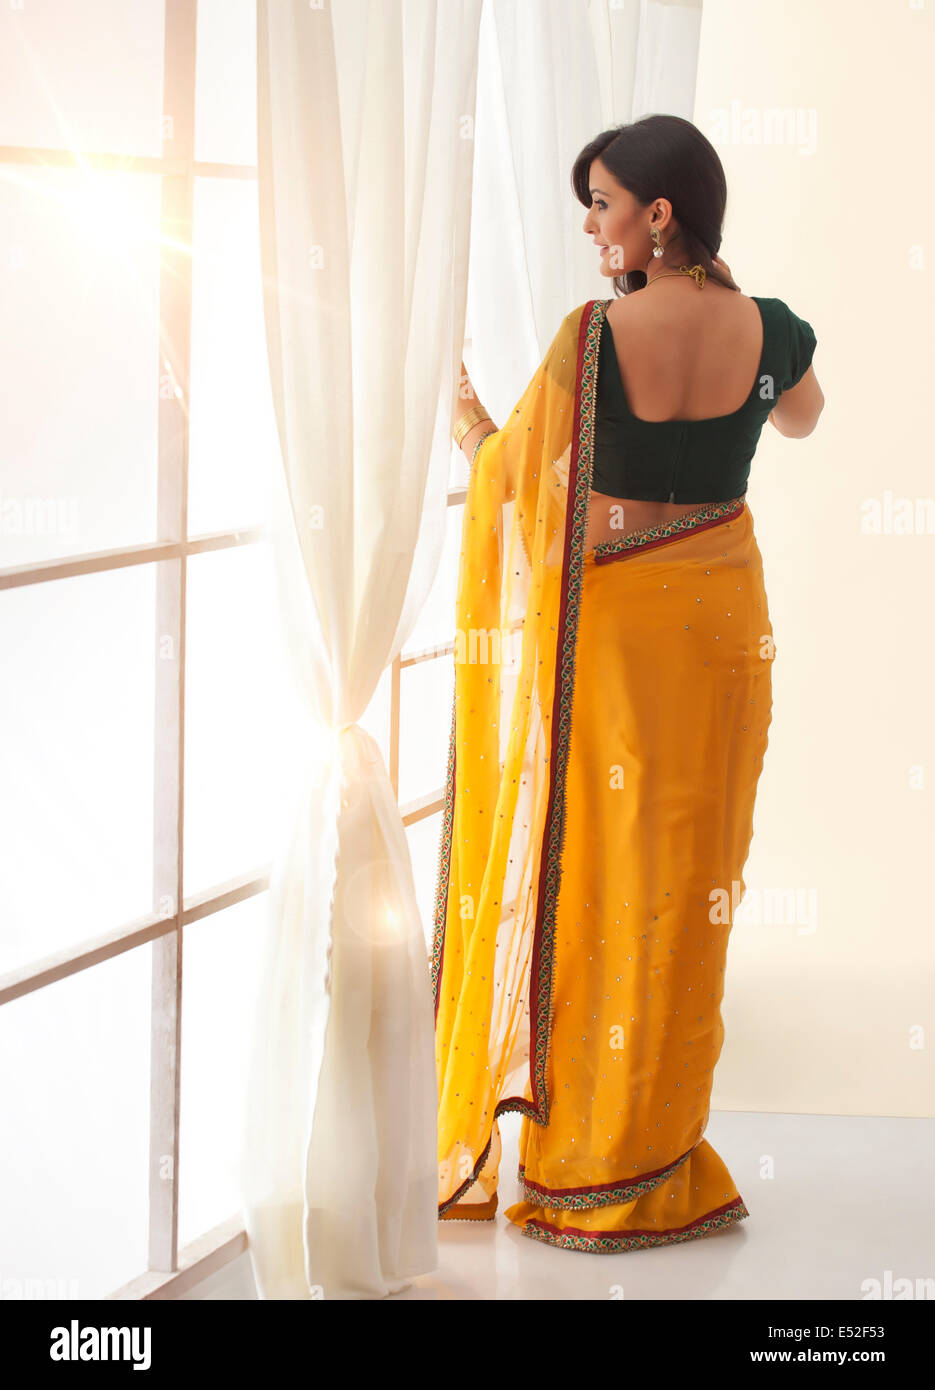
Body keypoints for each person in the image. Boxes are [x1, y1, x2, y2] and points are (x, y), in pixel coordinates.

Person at [435, 114, 823, 1254]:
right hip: (718, 622)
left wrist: (461, 415)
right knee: (690, 877)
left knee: (597, 872)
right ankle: (657, 1147)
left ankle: (589, 1157)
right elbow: (799, 418)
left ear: (658, 211)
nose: (593, 228)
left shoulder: (595, 334)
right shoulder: (773, 326)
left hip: (612, 626)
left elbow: (515, 478)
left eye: (601, 204)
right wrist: (737, 325)